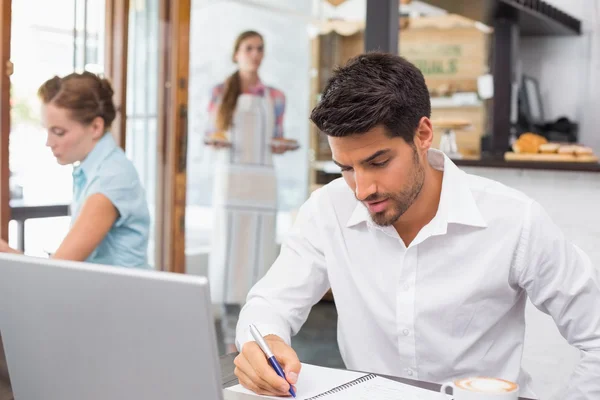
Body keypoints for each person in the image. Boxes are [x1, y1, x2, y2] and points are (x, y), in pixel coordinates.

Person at [232, 53, 600, 399]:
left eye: (378, 162)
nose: (361, 190)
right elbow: (269, 303)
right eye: (346, 168)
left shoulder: (514, 220)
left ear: (423, 135)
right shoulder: (327, 210)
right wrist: (264, 342)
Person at [204, 31, 297, 350]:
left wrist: (281, 145)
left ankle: (256, 333)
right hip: (231, 184)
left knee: (259, 257)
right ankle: (231, 337)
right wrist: (215, 139)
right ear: (236, 54)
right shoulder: (220, 93)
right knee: (230, 256)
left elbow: (278, 137)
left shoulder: (276, 97)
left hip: (262, 185)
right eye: (249, 48)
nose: (255, 54)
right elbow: (211, 133)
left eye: (260, 48)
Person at [0, 72, 150, 266]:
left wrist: (8, 254)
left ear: (95, 127)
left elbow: (60, 269)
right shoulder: (95, 170)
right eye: (48, 130)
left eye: (59, 132)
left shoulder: (111, 179)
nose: (49, 142)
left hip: (121, 294)